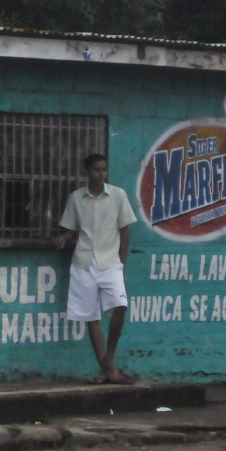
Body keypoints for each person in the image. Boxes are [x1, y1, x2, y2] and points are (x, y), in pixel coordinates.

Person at [53, 153, 137, 385]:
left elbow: (125, 232)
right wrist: (64, 236)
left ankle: (108, 361)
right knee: (91, 316)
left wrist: (122, 264)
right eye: (97, 170)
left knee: (120, 307)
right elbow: (73, 228)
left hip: (110, 262)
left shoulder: (118, 195)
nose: (102, 174)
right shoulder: (76, 198)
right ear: (87, 172)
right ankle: (108, 371)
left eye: (104, 170)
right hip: (84, 262)